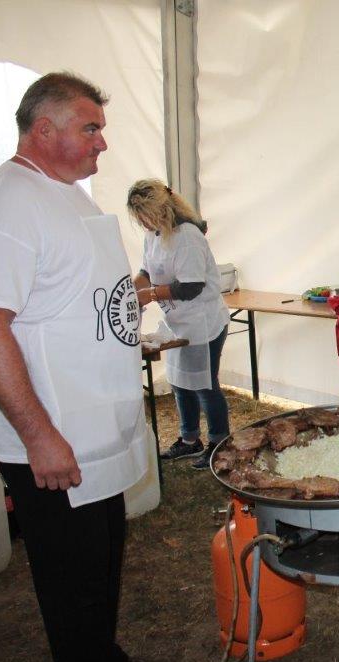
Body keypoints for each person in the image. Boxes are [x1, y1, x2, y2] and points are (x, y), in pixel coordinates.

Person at [0, 73, 171, 662]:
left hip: (93, 423)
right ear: (43, 129)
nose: (102, 142)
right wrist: (38, 436)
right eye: (90, 128)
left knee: (100, 561)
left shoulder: (64, 193)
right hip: (52, 436)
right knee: (71, 577)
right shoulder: (4, 206)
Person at [127, 179, 230, 470]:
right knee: (180, 382)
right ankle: (189, 439)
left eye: (144, 215)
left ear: (159, 210)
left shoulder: (187, 236)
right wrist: (130, 291)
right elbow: (147, 271)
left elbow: (191, 286)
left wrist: (149, 295)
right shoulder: (154, 235)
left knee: (205, 386)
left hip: (203, 322)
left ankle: (220, 444)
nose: (142, 223)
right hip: (178, 321)